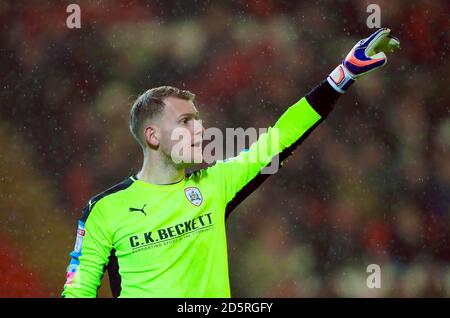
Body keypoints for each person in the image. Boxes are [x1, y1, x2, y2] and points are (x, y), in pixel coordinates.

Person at [62, 28, 399, 297]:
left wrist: (342, 75)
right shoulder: (104, 210)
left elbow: (280, 137)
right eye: (185, 122)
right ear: (152, 136)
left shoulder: (216, 184)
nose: (200, 128)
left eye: (198, 119)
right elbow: (78, 292)